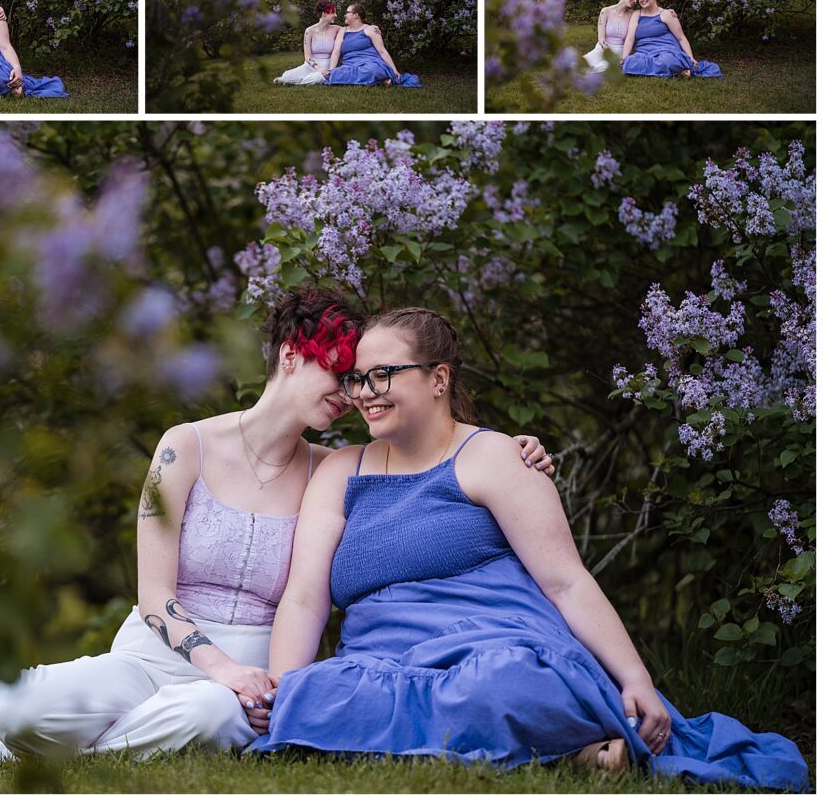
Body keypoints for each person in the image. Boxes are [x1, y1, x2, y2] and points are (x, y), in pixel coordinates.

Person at [0, 292, 553, 761]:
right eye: (338, 371)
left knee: (206, 717)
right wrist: (217, 666)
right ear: (290, 355)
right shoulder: (182, 448)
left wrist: (520, 451)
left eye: (358, 376)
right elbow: (153, 595)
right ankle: (15, 731)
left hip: (251, 674)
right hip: (154, 653)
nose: (351, 391)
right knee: (20, 703)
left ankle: (37, 752)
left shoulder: (332, 471)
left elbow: (431, 458)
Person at [250, 308, 810, 792]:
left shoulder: (494, 458)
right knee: (321, 694)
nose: (364, 392)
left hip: (494, 648)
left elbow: (566, 580)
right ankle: (570, 754)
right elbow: (303, 598)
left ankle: (542, 734)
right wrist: (286, 692)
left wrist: (636, 679)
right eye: (356, 379)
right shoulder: (341, 471)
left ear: (438, 378)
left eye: (383, 375)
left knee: (508, 686)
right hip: (382, 662)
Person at [621, 0, 723, 78]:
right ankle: (676, 73)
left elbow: (681, 38)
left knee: (668, 61)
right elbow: (630, 38)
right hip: (644, 52)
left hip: (666, 51)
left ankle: (663, 70)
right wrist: (624, 58)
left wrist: (691, 57)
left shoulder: (666, 14)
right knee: (630, 62)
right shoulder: (636, 14)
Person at [325, 4, 421, 88]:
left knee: (372, 71)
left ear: (355, 15)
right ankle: (380, 82)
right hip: (349, 65)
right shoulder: (342, 31)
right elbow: (336, 51)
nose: (345, 15)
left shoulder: (370, 30)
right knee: (336, 74)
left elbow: (382, 51)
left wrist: (394, 70)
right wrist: (331, 70)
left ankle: (375, 79)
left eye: (347, 12)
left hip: (370, 63)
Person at [273, 0, 340, 86]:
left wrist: (324, 70)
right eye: (333, 12)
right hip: (311, 65)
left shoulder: (337, 29)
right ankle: (288, 79)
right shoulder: (309, 31)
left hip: (326, 66)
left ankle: (303, 81)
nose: (335, 15)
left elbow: (352, 29)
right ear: (324, 13)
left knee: (317, 78)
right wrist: (318, 68)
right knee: (287, 76)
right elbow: (307, 56)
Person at [583, 0, 637, 73]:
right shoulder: (605, 11)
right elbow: (601, 39)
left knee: (603, 67)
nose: (635, 1)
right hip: (602, 49)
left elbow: (630, 38)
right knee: (580, 64)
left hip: (619, 52)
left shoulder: (633, 15)